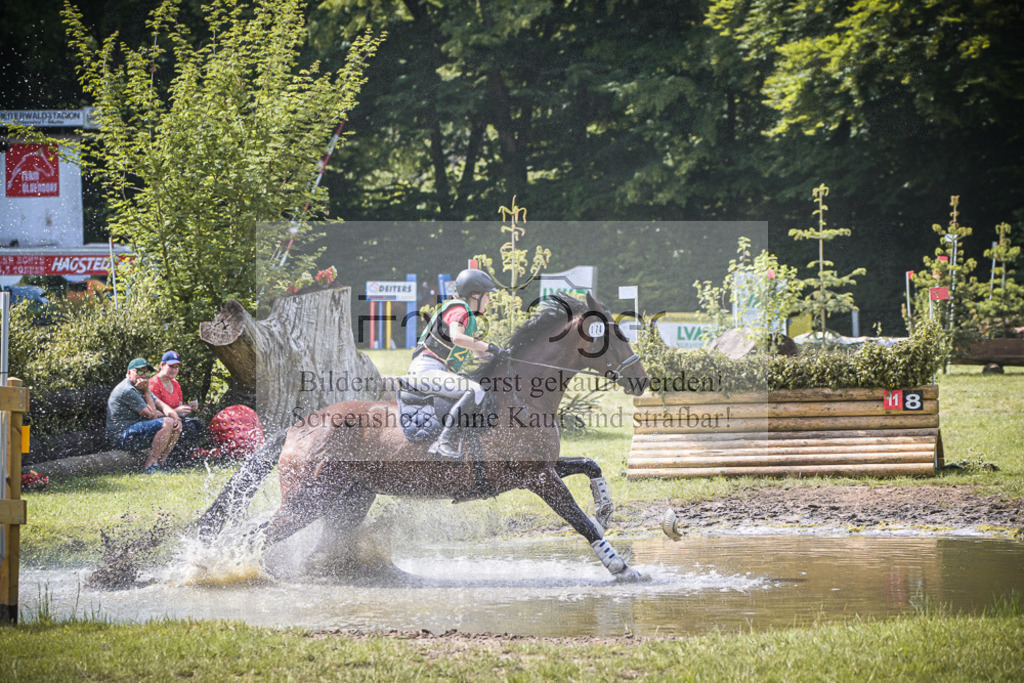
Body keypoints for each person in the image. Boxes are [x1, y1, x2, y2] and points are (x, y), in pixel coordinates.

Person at [408, 268, 507, 459]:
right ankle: (443, 442)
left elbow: (481, 354)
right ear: (475, 295)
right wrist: (490, 346)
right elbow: (456, 337)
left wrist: (502, 357)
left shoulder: (466, 316)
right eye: (487, 295)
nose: (489, 300)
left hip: (434, 369)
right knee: (475, 391)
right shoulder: (460, 310)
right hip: (426, 369)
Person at [106, 357, 182, 473]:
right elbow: (152, 415)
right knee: (167, 422)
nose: (143, 376)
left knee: (175, 424)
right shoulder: (128, 389)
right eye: (140, 372)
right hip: (121, 437)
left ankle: (161, 464)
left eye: (146, 372)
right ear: (129, 372)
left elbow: (161, 405)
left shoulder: (139, 386)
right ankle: (149, 466)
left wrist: (177, 418)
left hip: (133, 431)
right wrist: (146, 391)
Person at [149, 350, 205, 463]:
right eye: (171, 366)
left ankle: (184, 458)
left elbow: (179, 409)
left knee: (198, 425)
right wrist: (175, 411)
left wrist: (188, 408)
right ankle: (168, 460)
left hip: (175, 419)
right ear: (162, 365)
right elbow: (151, 413)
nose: (174, 370)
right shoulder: (153, 384)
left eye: (177, 367)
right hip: (160, 422)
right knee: (187, 428)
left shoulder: (175, 384)